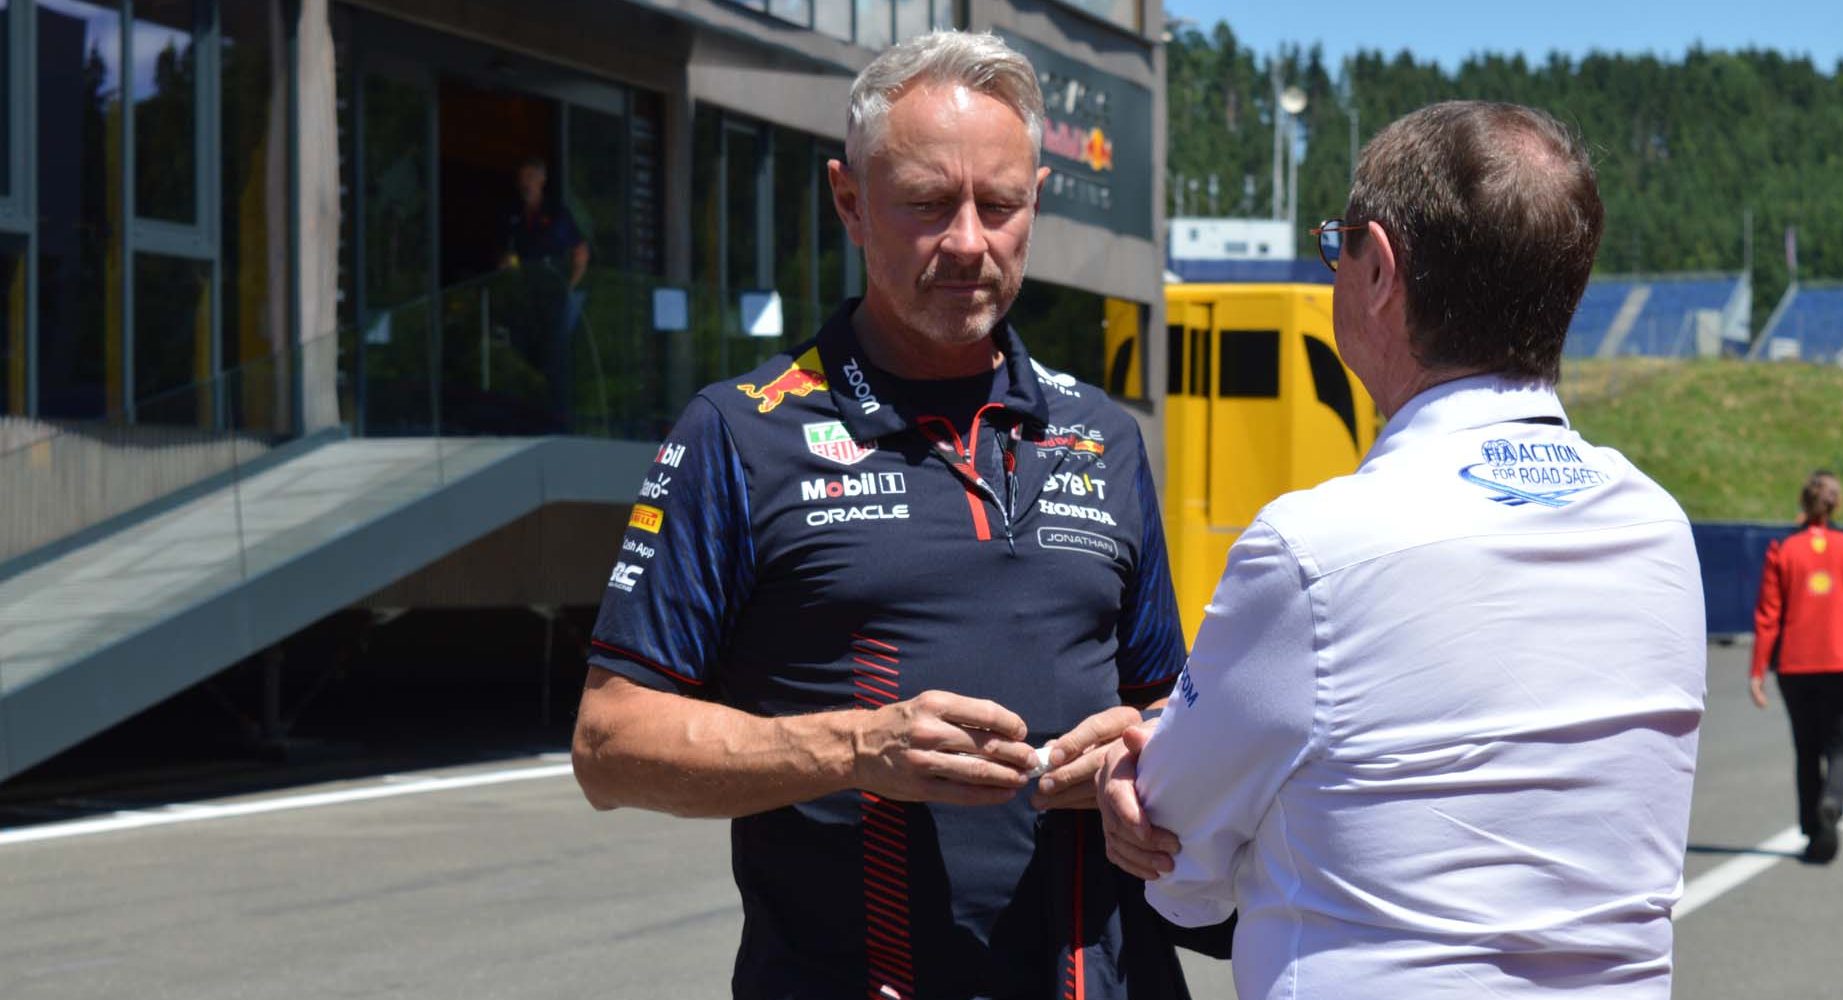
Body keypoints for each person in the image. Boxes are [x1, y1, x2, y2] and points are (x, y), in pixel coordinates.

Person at [571, 31, 1197, 999]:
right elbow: (611, 746)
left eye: (1000, 205)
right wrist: (858, 748)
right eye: (926, 205)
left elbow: (1174, 704)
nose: (967, 243)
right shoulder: (740, 434)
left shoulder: (1102, 433)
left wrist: (1143, 747)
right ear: (849, 201)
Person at [1094, 101, 1709, 998]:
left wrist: (1132, 755)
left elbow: (1180, 871)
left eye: (1337, 243)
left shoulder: (1312, 553)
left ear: (1379, 267)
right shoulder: (1658, 528)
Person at [1750, 471, 1843, 863]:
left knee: (1807, 748)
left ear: (1803, 504)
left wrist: (1757, 670)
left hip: (1795, 665)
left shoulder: (1783, 549)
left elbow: (1768, 616)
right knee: (1842, 744)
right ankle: (1832, 801)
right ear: (1837, 505)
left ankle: (1813, 829)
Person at [500, 156, 589, 431]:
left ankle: (558, 420)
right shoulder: (514, 216)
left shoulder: (556, 213)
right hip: (524, 296)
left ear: (542, 179)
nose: (525, 184)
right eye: (521, 178)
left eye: (530, 177)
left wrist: (568, 286)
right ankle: (525, 417)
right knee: (523, 354)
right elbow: (507, 254)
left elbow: (580, 251)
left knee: (554, 357)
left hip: (551, 293)